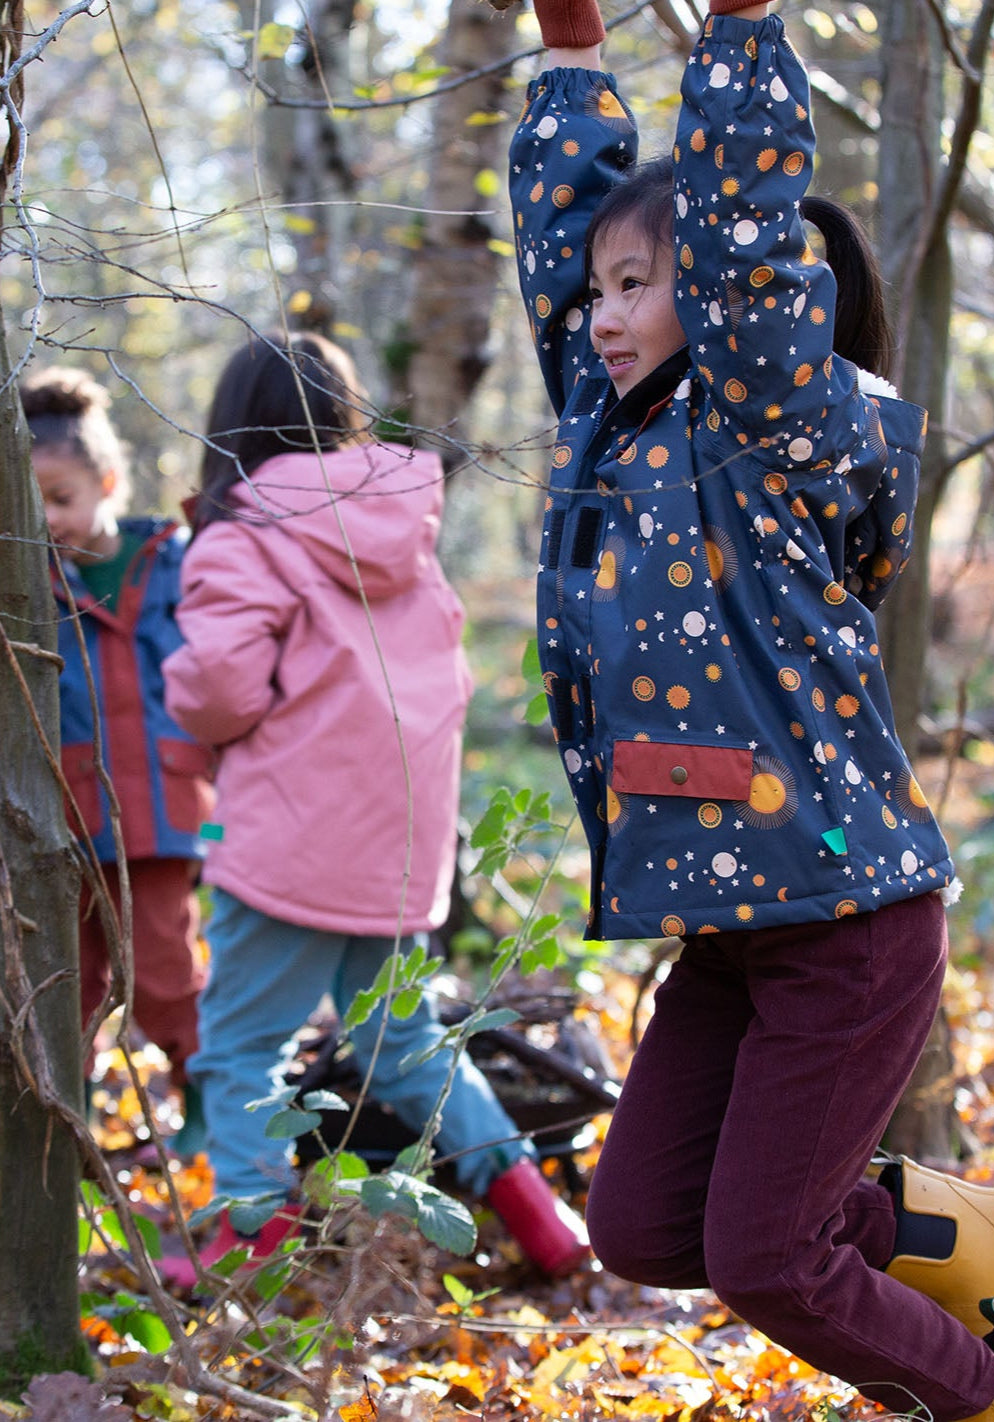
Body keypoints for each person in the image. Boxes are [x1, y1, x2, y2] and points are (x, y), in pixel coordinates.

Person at [501, 0, 994, 1419]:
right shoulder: (612, 426)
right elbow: (563, 251)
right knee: (643, 1227)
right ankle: (951, 1236)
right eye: (601, 291)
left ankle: (991, 1401)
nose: (602, 319)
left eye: (639, 287)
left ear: (725, 300)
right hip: (732, 926)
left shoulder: (766, 430)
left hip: (842, 920)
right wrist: (569, 29)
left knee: (763, 1257)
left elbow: (742, 230)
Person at [157, 330, 588, 1286]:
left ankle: (253, 1228)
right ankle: (537, 1210)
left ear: (232, 427)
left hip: (290, 843)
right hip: (396, 845)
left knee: (240, 1047)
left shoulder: (245, 535)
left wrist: (179, 698)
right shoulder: (401, 532)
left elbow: (220, 688)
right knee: (404, 1044)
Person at [25, 367, 211, 1148]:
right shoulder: (27, 586)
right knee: (64, 984)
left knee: (165, 975)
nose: (47, 520)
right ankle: (61, 1131)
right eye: (29, 503)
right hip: (62, 824)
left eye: (61, 498)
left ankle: (206, 1112)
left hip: (163, 818)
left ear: (106, 482)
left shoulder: (174, 562)